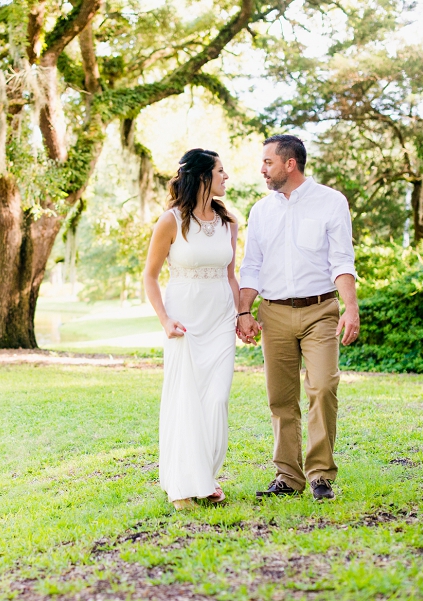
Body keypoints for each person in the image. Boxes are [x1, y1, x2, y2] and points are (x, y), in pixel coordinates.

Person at [236, 134, 359, 501]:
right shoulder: (261, 210)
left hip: (320, 310)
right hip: (273, 313)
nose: (262, 169)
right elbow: (251, 266)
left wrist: (350, 307)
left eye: (268, 162)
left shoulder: (331, 202)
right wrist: (244, 310)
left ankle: (320, 474)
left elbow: (341, 259)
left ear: (290, 164)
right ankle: (288, 477)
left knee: (322, 387)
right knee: (281, 397)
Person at [143, 148, 239, 511]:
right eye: (220, 171)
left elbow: (231, 275)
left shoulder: (229, 223)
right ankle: (189, 484)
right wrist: (165, 319)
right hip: (184, 321)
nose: (226, 177)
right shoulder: (170, 221)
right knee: (186, 400)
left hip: (220, 321)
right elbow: (150, 276)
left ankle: (206, 475)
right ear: (202, 177)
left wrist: (242, 314)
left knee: (216, 400)